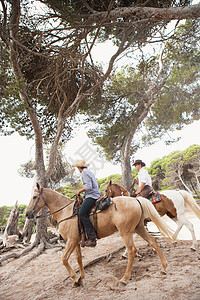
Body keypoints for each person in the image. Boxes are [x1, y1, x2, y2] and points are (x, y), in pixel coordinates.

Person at [72, 159, 101, 247]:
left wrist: (79, 191)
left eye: (77, 167)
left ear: (79, 167)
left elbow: (88, 186)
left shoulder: (84, 173)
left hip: (92, 196)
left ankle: (92, 237)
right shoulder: (88, 171)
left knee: (82, 213)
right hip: (93, 194)